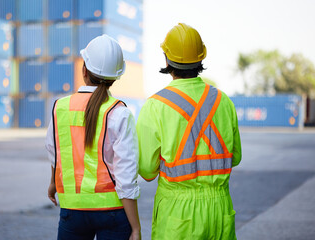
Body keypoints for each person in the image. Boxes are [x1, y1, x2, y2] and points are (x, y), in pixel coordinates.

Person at [136, 23, 242, 240]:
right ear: (201, 59)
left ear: (166, 59)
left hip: (178, 215)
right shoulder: (224, 102)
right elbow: (235, 157)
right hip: (220, 210)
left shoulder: (155, 105)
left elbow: (146, 171)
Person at [45, 34, 141, 240]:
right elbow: (126, 175)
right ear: (115, 77)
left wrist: (53, 182)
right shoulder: (119, 112)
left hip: (73, 209)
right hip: (112, 211)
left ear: (84, 70)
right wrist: (135, 227)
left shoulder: (60, 107)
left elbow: (55, 152)